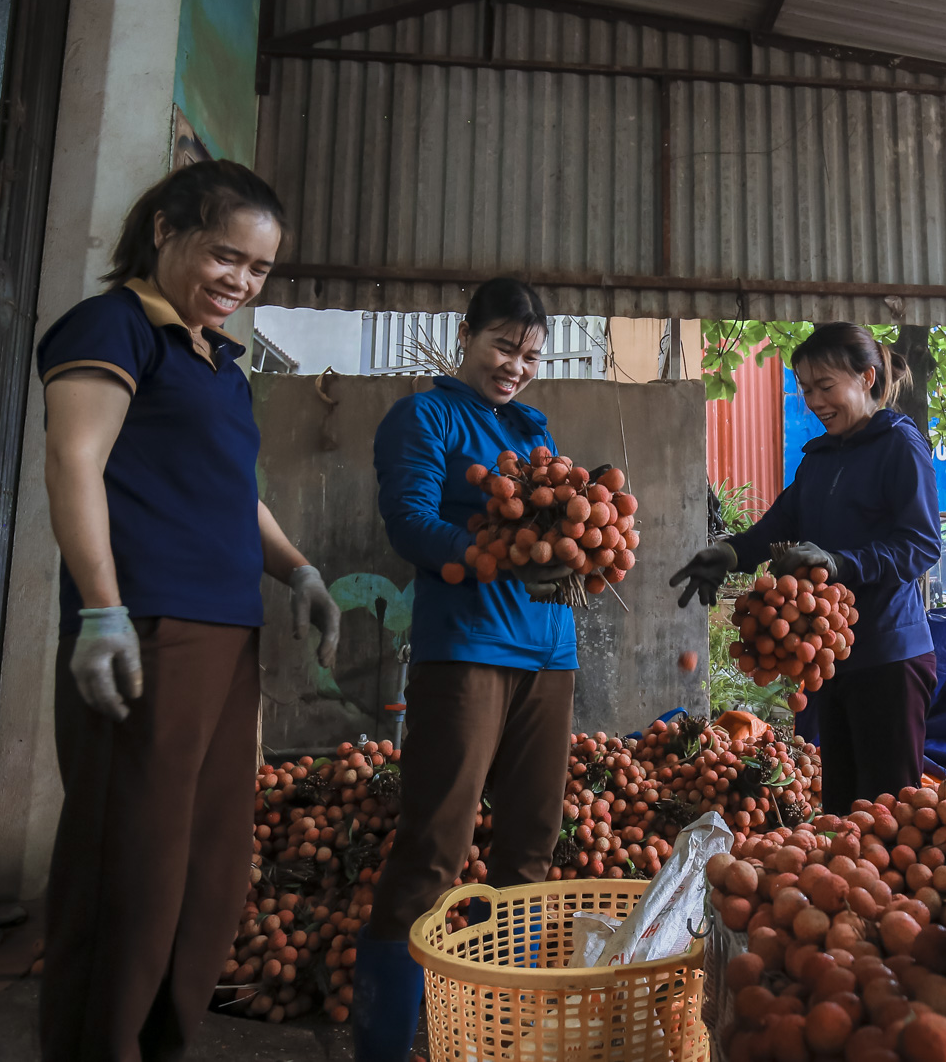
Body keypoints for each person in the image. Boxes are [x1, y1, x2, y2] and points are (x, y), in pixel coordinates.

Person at [36, 160, 342, 1060]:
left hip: (226, 633)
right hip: (148, 632)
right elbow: (74, 462)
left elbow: (231, 495)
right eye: (224, 255)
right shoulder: (113, 327)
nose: (239, 282)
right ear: (165, 229)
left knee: (208, 873)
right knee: (127, 867)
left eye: (257, 270)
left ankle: (161, 1044)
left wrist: (300, 571)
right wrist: (101, 611)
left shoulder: (216, 361)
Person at [355, 278, 578, 1062]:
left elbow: (559, 527)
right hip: (469, 652)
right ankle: (384, 1047)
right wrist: (496, 558)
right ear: (467, 334)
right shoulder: (426, 415)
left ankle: (495, 1040)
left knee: (529, 854)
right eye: (504, 346)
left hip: (550, 655)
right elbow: (410, 522)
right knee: (434, 850)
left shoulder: (532, 430)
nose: (516, 365)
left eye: (531, 355)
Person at [671, 324, 941, 814]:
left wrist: (840, 563)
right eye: (806, 389)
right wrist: (727, 554)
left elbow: (920, 545)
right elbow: (777, 524)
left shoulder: (900, 445)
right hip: (829, 661)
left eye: (825, 386)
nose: (814, 400)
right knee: (840, 811)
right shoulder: (818, 460)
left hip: (888, 656)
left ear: (866, 377)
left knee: (890, 816)